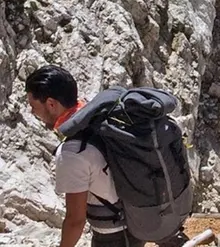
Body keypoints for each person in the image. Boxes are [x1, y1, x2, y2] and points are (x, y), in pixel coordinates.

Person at [25, 65, 188, 247]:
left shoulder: (72, 152)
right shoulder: (101, 120)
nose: (33, 112)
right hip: (136, 219)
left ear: (51, 104)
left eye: (33, 106)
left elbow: (75, 220)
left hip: (113, 236)